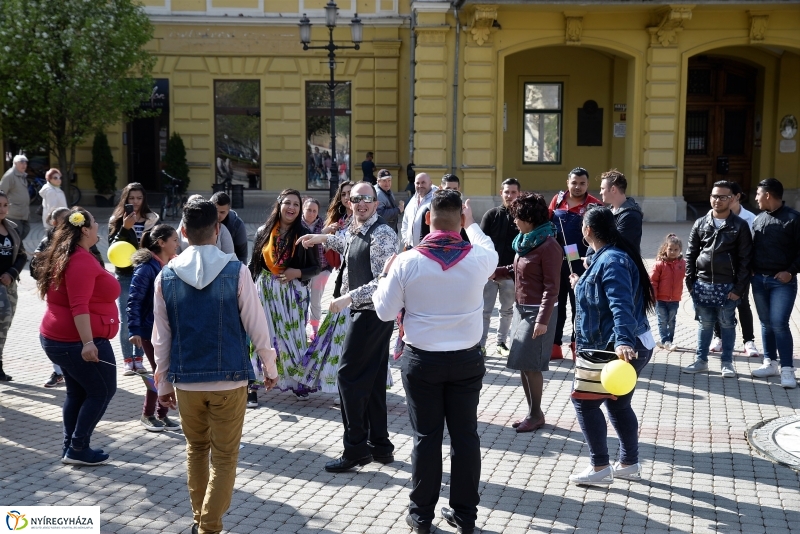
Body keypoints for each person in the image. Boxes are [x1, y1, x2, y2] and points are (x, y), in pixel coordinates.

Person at [373, 189, 496, 534]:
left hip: (422, 361)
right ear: (461, 220)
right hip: (466, 361)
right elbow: (487, 245)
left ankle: (422, 515)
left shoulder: (407, 261)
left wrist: (386, 274)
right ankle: (466, 515)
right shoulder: (479, 258)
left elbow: (384, 312)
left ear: (427, 219)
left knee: (426, 437)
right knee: (465, 436)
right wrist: (471, 226)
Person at [153, 200, 278, 534]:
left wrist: (162, 385)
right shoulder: (236, 270)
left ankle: (201, 521)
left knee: (196, 450)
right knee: (224, 456)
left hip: (186, 381)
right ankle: (208, 526)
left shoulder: (165, 275)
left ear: (182, 232)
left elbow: (161, 338)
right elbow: (256, 323)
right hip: (229, 380)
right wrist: (270, 365)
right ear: (217, 229)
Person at [297, 181, 397, 473]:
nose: (361, 203)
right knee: (375, 380)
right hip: (366, 314)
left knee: (348, 377)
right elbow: (346, 243)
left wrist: (347, 298)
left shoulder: (383, 234)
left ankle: (355, 449)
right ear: (349, 203)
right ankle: (380, 446)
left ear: (377, 204)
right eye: (356, 199)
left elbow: (384, 280)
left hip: (370, 314)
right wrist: (320, 239)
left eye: (367, 199)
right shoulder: (356, 228)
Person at [568, 206, 655, 485]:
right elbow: (605, 294)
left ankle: (600, 468)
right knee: (617, 405)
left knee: (583, 402)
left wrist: (623, 340)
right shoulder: (607, 256)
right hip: (622, 342)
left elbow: (621, 303)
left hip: (612, 347)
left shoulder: (613, 260)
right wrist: (582, 282)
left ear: (588, 230)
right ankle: (628, 463)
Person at [38, 207, 118, 465]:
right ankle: (77, 447)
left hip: (63, 340)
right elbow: (79, 306)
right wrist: (87, 343)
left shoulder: (73, 255)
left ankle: (70, 447)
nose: (98, 226)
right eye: (94, 222)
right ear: (84, 229)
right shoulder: (80, 261)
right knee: (102, 391)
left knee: (78, 393)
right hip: (75, 343)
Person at [493, 193, 561, 433]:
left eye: (518, 217)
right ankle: (534, 412)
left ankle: (535, 414)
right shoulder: (526, 240)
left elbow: (552, 288)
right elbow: (519, 268)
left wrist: (542, 321)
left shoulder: (549, 245)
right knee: (523, 362)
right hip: (522, 310)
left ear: (530, 218)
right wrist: (499, 271)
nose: (515, 222)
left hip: (538, 313)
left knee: (532, 365)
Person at [248, 189, 319, 403]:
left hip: (292, 295)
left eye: (296, 204)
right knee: (261, 336)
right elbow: (254, 265)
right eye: (287, 203)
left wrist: (296, 272)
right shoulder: (263, 231)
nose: (292, 208)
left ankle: (298, 381)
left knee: (294, 338)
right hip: (265, 292)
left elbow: (316, 267)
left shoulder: (304, 234)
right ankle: (253, 384)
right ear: (279, 205)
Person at [683, 181, 752, 378]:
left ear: (732, 199)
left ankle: (727, 363)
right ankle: (701, 360)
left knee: (727, 323)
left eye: (723, 197)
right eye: (714, 196)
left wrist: (738, 289)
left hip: (728, 285)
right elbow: (691, 254)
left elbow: (746, 259)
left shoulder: (740, 226)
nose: (717, 200)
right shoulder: (700, 223)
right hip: (702, 284)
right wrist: (691, 283)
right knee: (705, 324)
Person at [127, 224, 181, 432]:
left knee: (164, 372)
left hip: (167, 329)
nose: (178, 243)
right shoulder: (146, 268)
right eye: (174, 240)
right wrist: (134, 330)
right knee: (158, 373)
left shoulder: (172, 264)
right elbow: (134, 301)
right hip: (150, 331)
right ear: (161, 242)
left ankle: (162, 414)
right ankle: (148, 414)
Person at [750, 178, 800, 388]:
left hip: (782, 282)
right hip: (759, 280)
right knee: (766, 323)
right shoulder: (758, 219)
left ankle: (787, 370)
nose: (755, 198)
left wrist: (790, 272)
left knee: (779, 324)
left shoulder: (793, 219)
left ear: (768, 195)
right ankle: (769, 362)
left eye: (758, 194)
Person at [548, 167, 603, 360]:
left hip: (581, 263)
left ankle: (577, 345)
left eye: (582, 183)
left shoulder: (595, 205)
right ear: (567, 182)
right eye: (574, 183)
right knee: (557, 305)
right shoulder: (558, 200)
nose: (577, 187)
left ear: (588, 185)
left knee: (580, 306)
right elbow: (547, 226)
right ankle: (554, 345)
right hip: (556, 262)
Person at [108, 183, 158, 375]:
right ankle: (128, 360)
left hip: (147, 272)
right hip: (125, 274)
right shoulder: (116, 220)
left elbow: (155, 245)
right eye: (131, 198)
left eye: (139, 198)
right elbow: (113, 247)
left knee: (146, 316)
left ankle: (140, 358)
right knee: (128, 317)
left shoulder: (152, 219)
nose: (135, 202)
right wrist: (124, 228)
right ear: (125, 200)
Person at [709, 181, 759, 357]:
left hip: (741, 271)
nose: (722, 200)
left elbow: (755, 247)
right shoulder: (711, 216)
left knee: (743, 304)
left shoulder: (751, 219)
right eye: (718, 196)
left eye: (726, 196)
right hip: (720, 271)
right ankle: (718, 338)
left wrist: (751, 267)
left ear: (736, 197)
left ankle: (749, 341)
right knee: (717, 303)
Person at [479, 178, 521, 357]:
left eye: (513, 192)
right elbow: (480, 243)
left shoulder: (522, 217)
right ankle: (480, 344)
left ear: (519, 194)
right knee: (484, 311)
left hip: (510, 275)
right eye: (507, 192)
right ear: (501, 193)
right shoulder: (491, 215)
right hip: (488, 273)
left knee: (507, 311)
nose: (510, 195)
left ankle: (501, 343)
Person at [0, 192, 27, 382]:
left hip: (10, 285)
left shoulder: (12, 228)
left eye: (5, 205)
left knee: (4, 327)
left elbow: (23, 255)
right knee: (2, 321)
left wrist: (11, 273)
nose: (2, 209)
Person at [650, 234, 685, 352]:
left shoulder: (682, 264)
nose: (673, 252)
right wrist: (653, 296)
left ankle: (668, 340)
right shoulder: (659, 264)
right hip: (660, 299)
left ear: (680, 250)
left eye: (676, 250)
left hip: (675, 299)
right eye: (670, 249)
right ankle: (666, 341)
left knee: (671, 320)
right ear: (665, 248)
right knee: (662, 320)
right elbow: (653, 281)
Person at [301, 198, 330, 340]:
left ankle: (314, 329)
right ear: (303, 210)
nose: (311, 213)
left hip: (321, 269)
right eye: (309, 210)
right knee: (301, 299)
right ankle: (300, 326)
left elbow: (329, 246)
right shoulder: (297, 225)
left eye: (314, 211)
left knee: (316, 300)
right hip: (302, 270)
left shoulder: (323, 225)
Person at [597, 169, 643, 253]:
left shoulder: (630, 215)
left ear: (613, 189)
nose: (600, 192)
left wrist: (590, 259)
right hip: (598, 259)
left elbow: (617, 245)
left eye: (602, 188)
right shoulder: (608, 211)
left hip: (621, 264)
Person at [401, 173, 436, 250]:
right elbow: (405, 222)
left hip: (428, 249)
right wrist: (406, 240)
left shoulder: (436, 200)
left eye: (423, 182)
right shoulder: (413, 200)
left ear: (430, 183)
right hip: (410, 248)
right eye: (417, 183)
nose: (420, 185)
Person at [211, 192, 248, 263]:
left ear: (229, 210)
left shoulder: (237, 225)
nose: (217, 216)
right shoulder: (202, 219)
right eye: (215, 211)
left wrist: (241, 272)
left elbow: (242, 255)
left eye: (222, 212)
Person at [0, 154, 31, 239]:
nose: (24, 165)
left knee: (26, 230)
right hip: (13, 213)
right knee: (16, 235)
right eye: (21, 162)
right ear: (15, 163)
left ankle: (18, 249)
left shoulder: (22, 175)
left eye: (25, 163)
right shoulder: (9, 176)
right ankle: (17, 251)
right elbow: (2, 192)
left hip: (23, 212)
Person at [375, 169, 404, 233]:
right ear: (378, 181)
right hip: (382, 231)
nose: (387, 183)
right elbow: (380, 215)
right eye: (384, 181)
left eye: (389, 180)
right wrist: (398, 210)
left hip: (388, 229)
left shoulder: (387, 190)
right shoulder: (378, 194)